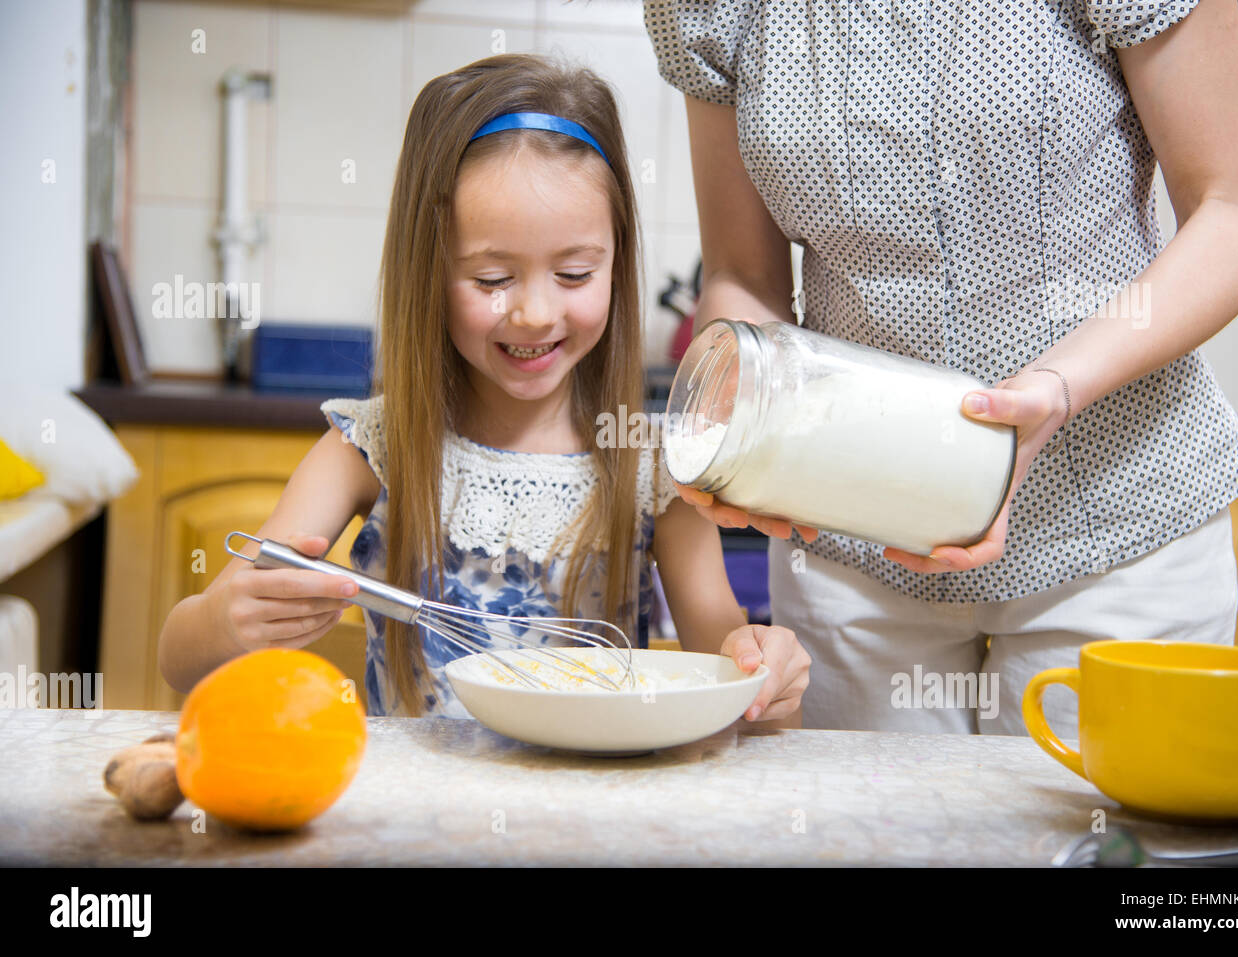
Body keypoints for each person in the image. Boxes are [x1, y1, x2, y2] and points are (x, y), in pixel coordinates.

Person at [644, 0, 1238, 735]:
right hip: (855, 547)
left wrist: (1055, 387)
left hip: (1119, 528)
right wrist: (751, 429)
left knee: (1101, 849)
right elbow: (743, 276)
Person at [158, 54, 811, 721]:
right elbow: (178, 658)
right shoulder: (370, 446)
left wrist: (761, 664)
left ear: (617, 261)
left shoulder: (652, 466)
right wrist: (226, 619)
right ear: (428, 271)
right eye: (493, 280)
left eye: (576, 274)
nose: (533, 312)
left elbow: (726, 666)